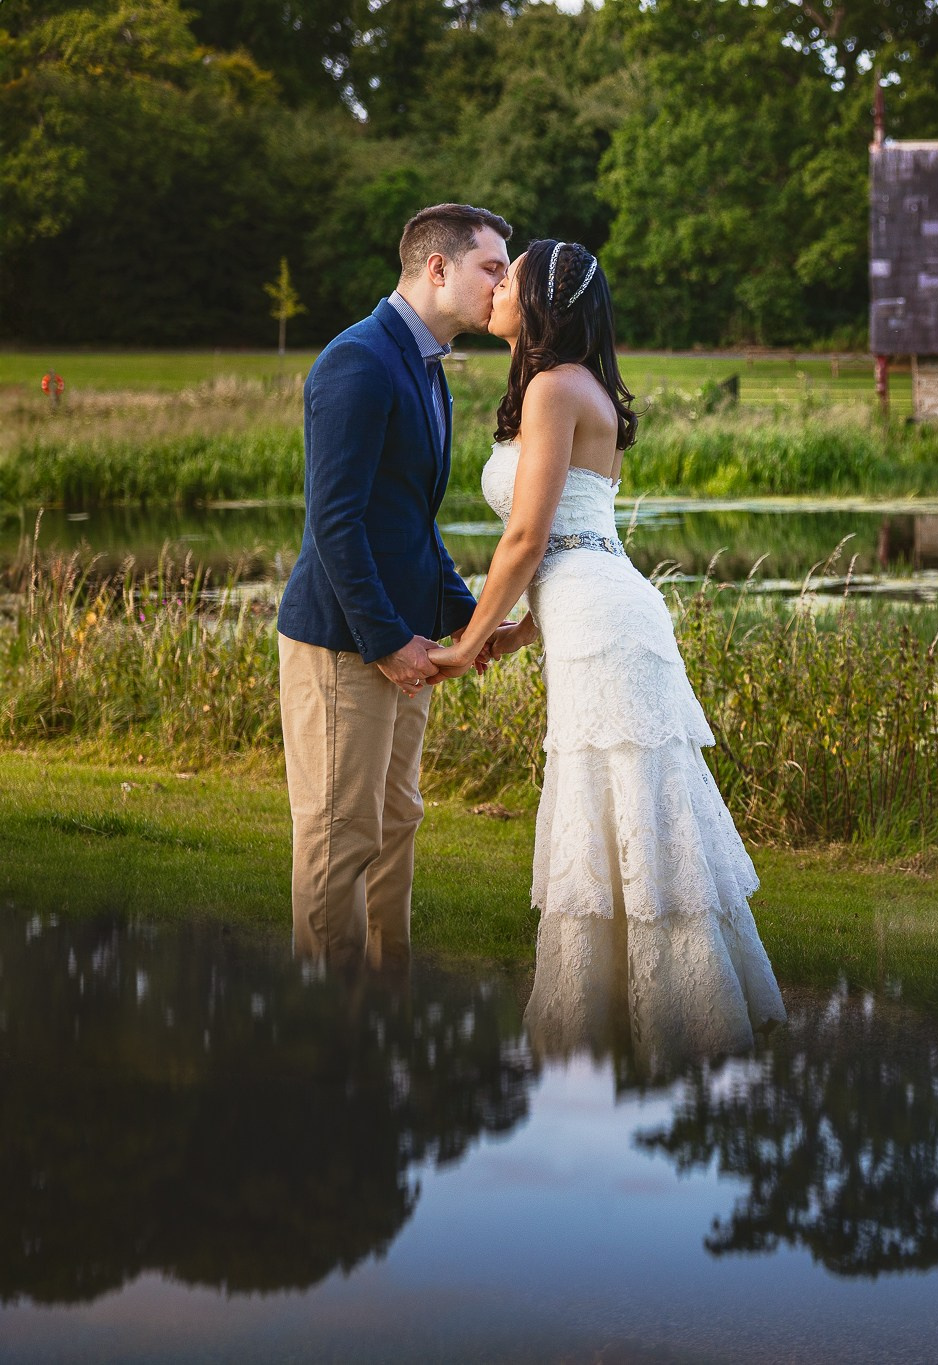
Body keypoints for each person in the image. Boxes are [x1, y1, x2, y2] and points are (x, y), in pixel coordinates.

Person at [429, 239, 784, 1056]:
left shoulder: (556, 387)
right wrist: (521, 631)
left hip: (603, 619)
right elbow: (577, 539)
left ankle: (665, 1018)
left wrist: (467, 643)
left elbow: (526, 538)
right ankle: (641, 1015)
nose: (497, 290)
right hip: (597, 609)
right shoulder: (569, 386)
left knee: (628, 794)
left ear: (542, 301)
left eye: (509, 279)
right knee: (622, 796)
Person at [276, 203, 511, 971]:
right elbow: (334, 523)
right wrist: (386, 643)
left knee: (395, 819)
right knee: (340, 834)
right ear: (437, 268)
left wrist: (470, 622)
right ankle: (330, 1035)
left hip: (408, 645)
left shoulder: (425, 366)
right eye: (491, 267)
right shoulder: (359, 360)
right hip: (346, 645)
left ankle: (387, 1010)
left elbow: (408, 522)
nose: (503, 283)